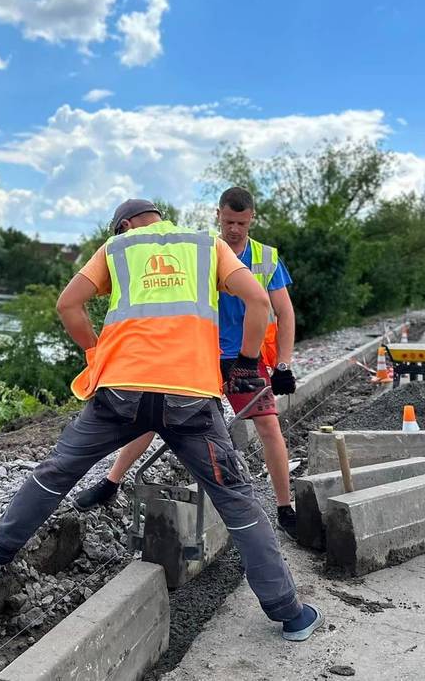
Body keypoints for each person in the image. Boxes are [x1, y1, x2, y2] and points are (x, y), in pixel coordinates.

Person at [0, 199, 323, 641]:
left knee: (56, 472)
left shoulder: (117, 249)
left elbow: (68, 305)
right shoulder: (206, 245)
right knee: (236, 498)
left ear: (123, 226)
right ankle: (289, 613)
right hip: (191, 398)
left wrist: (96, 351)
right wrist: (248, 363)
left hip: (121, 392)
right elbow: (258, 302)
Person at [74, 187, 300, 537]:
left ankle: (285, 509)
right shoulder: (202, 248)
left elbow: (284, 312)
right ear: (218, 216)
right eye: (228, 221)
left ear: (251, 218)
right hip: (199, 354)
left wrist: (283, 365)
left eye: (241, 222)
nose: (234, 229)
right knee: (152, 415)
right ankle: (111, 481)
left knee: (269, 425)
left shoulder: (266, 258)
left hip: (245, 357)